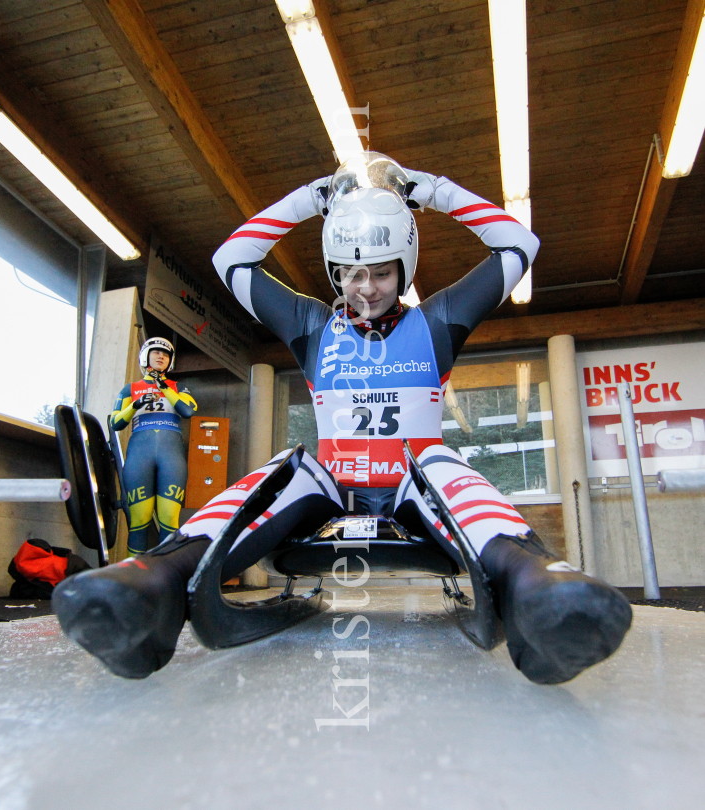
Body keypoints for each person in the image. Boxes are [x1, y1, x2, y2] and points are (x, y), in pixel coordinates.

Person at [54, 154, 631, 682]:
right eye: (351, 274)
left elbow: (518, 246)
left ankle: (531, 579)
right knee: (290, 463)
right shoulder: (312, 325)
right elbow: (230, 258)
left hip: (414, 485)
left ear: (403, 266)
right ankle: (159, 576)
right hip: (330, 488)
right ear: (334, 273)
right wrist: (312, 198)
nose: (366, 288)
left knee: (441, 459)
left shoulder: (437, 322)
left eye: (380, 272)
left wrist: (429, 192)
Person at [111, 337, 198, 554]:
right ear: (145, 357)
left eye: (166, 354)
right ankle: (134, 576)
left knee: (169, 519)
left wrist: (164, 387)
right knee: (139, 520)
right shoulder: (129, 389)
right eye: (156, 352)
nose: (161, 356)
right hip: (140, 454)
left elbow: (188, 411)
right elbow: (115, 423)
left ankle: (167, 574)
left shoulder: (178, 387)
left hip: (171, 456)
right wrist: (135, 404)